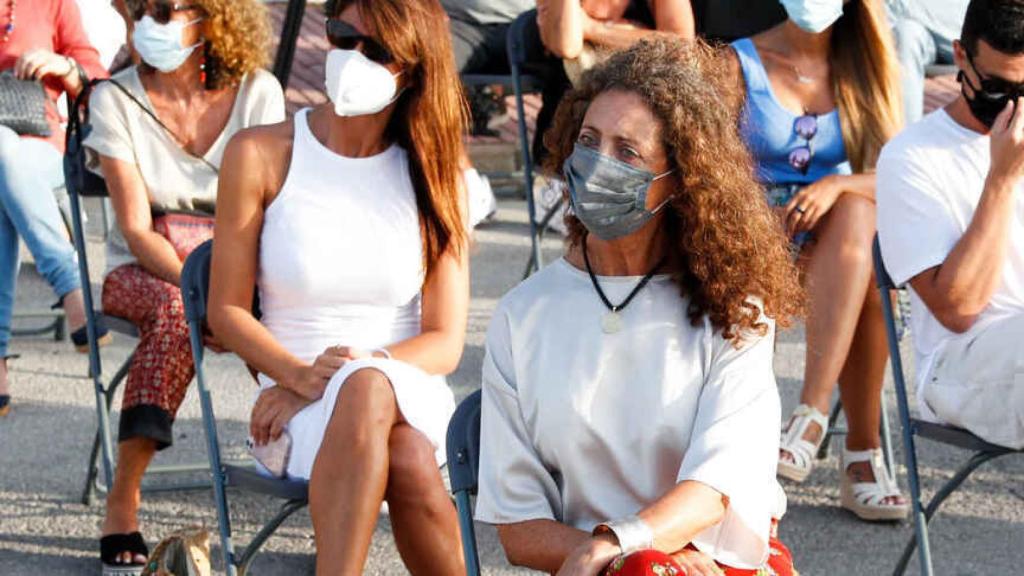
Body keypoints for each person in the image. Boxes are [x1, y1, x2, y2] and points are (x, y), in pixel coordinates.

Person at [476, 38, 801, 576]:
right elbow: (519, 528)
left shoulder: (735, 310)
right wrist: (624, 555)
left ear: (680, 178)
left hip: (716, 559)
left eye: (627, 152)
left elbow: (716, 486)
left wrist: (627, 546)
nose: (599, 165)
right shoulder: (522, 315)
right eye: (588, 140)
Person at [207, 0, 469, 574]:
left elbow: (445, 342)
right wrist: (300, 379)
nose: (351, 57)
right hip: (294, 410)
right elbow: (224, 309)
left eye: (375, 51)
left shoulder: (436, 170)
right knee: (405, 454)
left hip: (410, 390)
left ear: (413, 69)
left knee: (373, 390)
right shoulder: (259, 154)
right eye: (342, 36)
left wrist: (346, 374)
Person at [83, 0, 284, 570]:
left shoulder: (257, 93)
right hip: (145, 268)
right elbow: (135, 229)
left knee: (299, 308)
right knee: (175, 310)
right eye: (143, 6)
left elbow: (275, 214)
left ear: (213, 15)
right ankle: (124, 499)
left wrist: (230, 294)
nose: (151, 19)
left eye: (167, 8)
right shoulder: (113, 97)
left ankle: (325, 473)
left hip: (242, 264)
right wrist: (208, 298)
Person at [724, 0, 909, 521]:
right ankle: (861, 458)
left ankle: (811, 413)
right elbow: (708, 166)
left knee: (857, 215)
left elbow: (900, 174)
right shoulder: (741, 63)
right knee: (871, 274)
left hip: (829, 254)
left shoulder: (864, 65)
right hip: (750, 241)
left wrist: (836, 183)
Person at [877, 0, 1024, 450]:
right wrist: (1001, 178)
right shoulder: (910, 158)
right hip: (959, 368)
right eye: (1000, 85)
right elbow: (958, 310)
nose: (1014, 104)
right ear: (960, 57)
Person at [0, 0, 109, 418]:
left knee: (5, 159)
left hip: (43, 154)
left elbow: (95, 79)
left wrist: (62, 66)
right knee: (2, 157)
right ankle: (71, 287)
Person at [887, 0, 970, 123]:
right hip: (921, 23)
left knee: (894, 5)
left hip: (965, 14)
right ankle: (905, 137)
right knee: (906, 35)